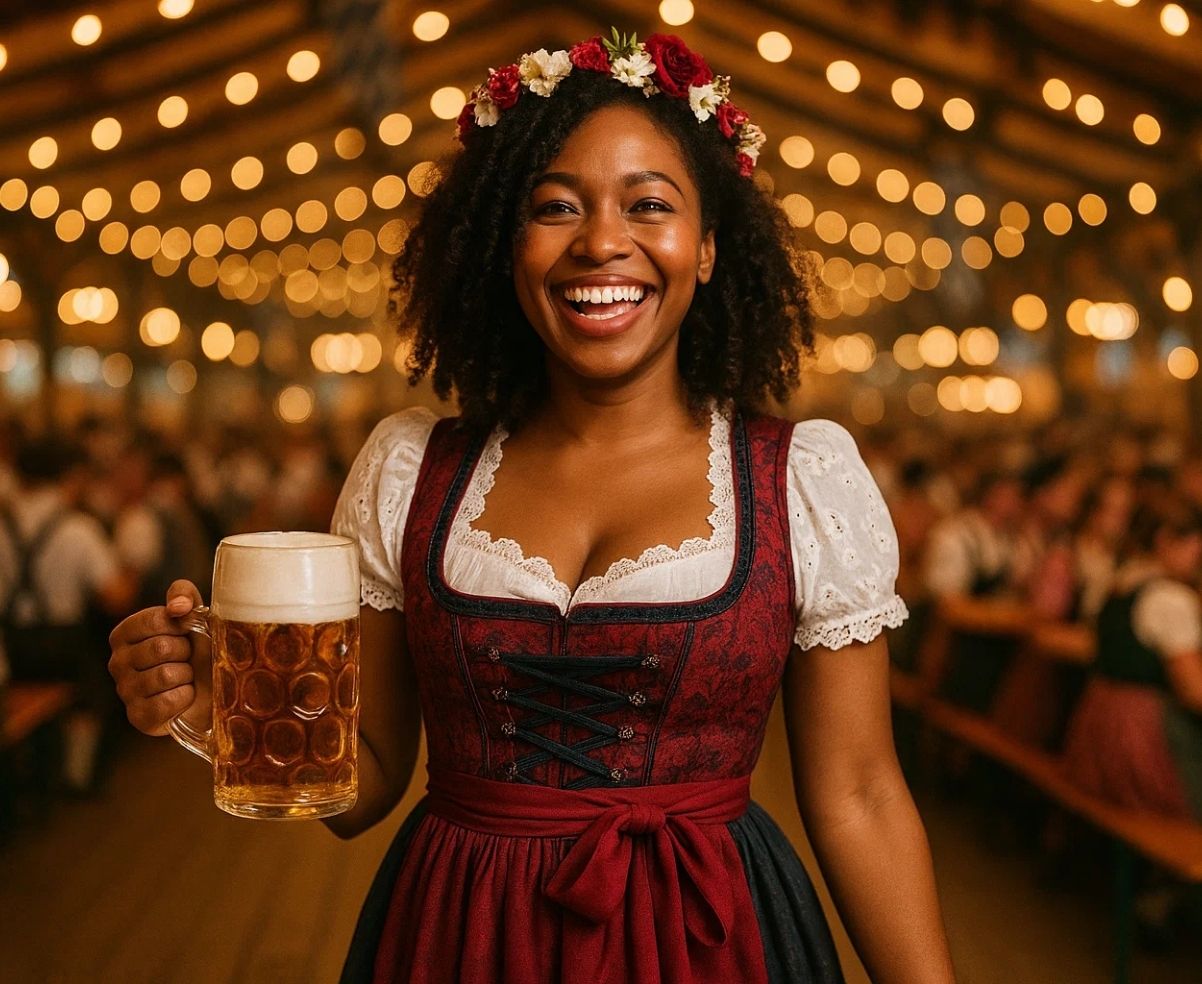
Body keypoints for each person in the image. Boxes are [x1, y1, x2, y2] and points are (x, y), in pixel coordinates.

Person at [107, 29, 955, 983]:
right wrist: (222, 698)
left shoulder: (799, 478)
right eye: (556, 206)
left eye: (649, 205)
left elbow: (862, 795)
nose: (601, 240)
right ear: (504, 252)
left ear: (710, 248)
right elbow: (365, 783)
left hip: (711, 938)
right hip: (459, 937)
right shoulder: (410, 469)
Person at [0, 436, 136, 793]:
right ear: (71, 476)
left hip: (10, 645)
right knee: (94, 687)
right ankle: (76, 777)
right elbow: (116, 597)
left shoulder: (2, 525)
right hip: (61, 643)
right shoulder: (78, 529)